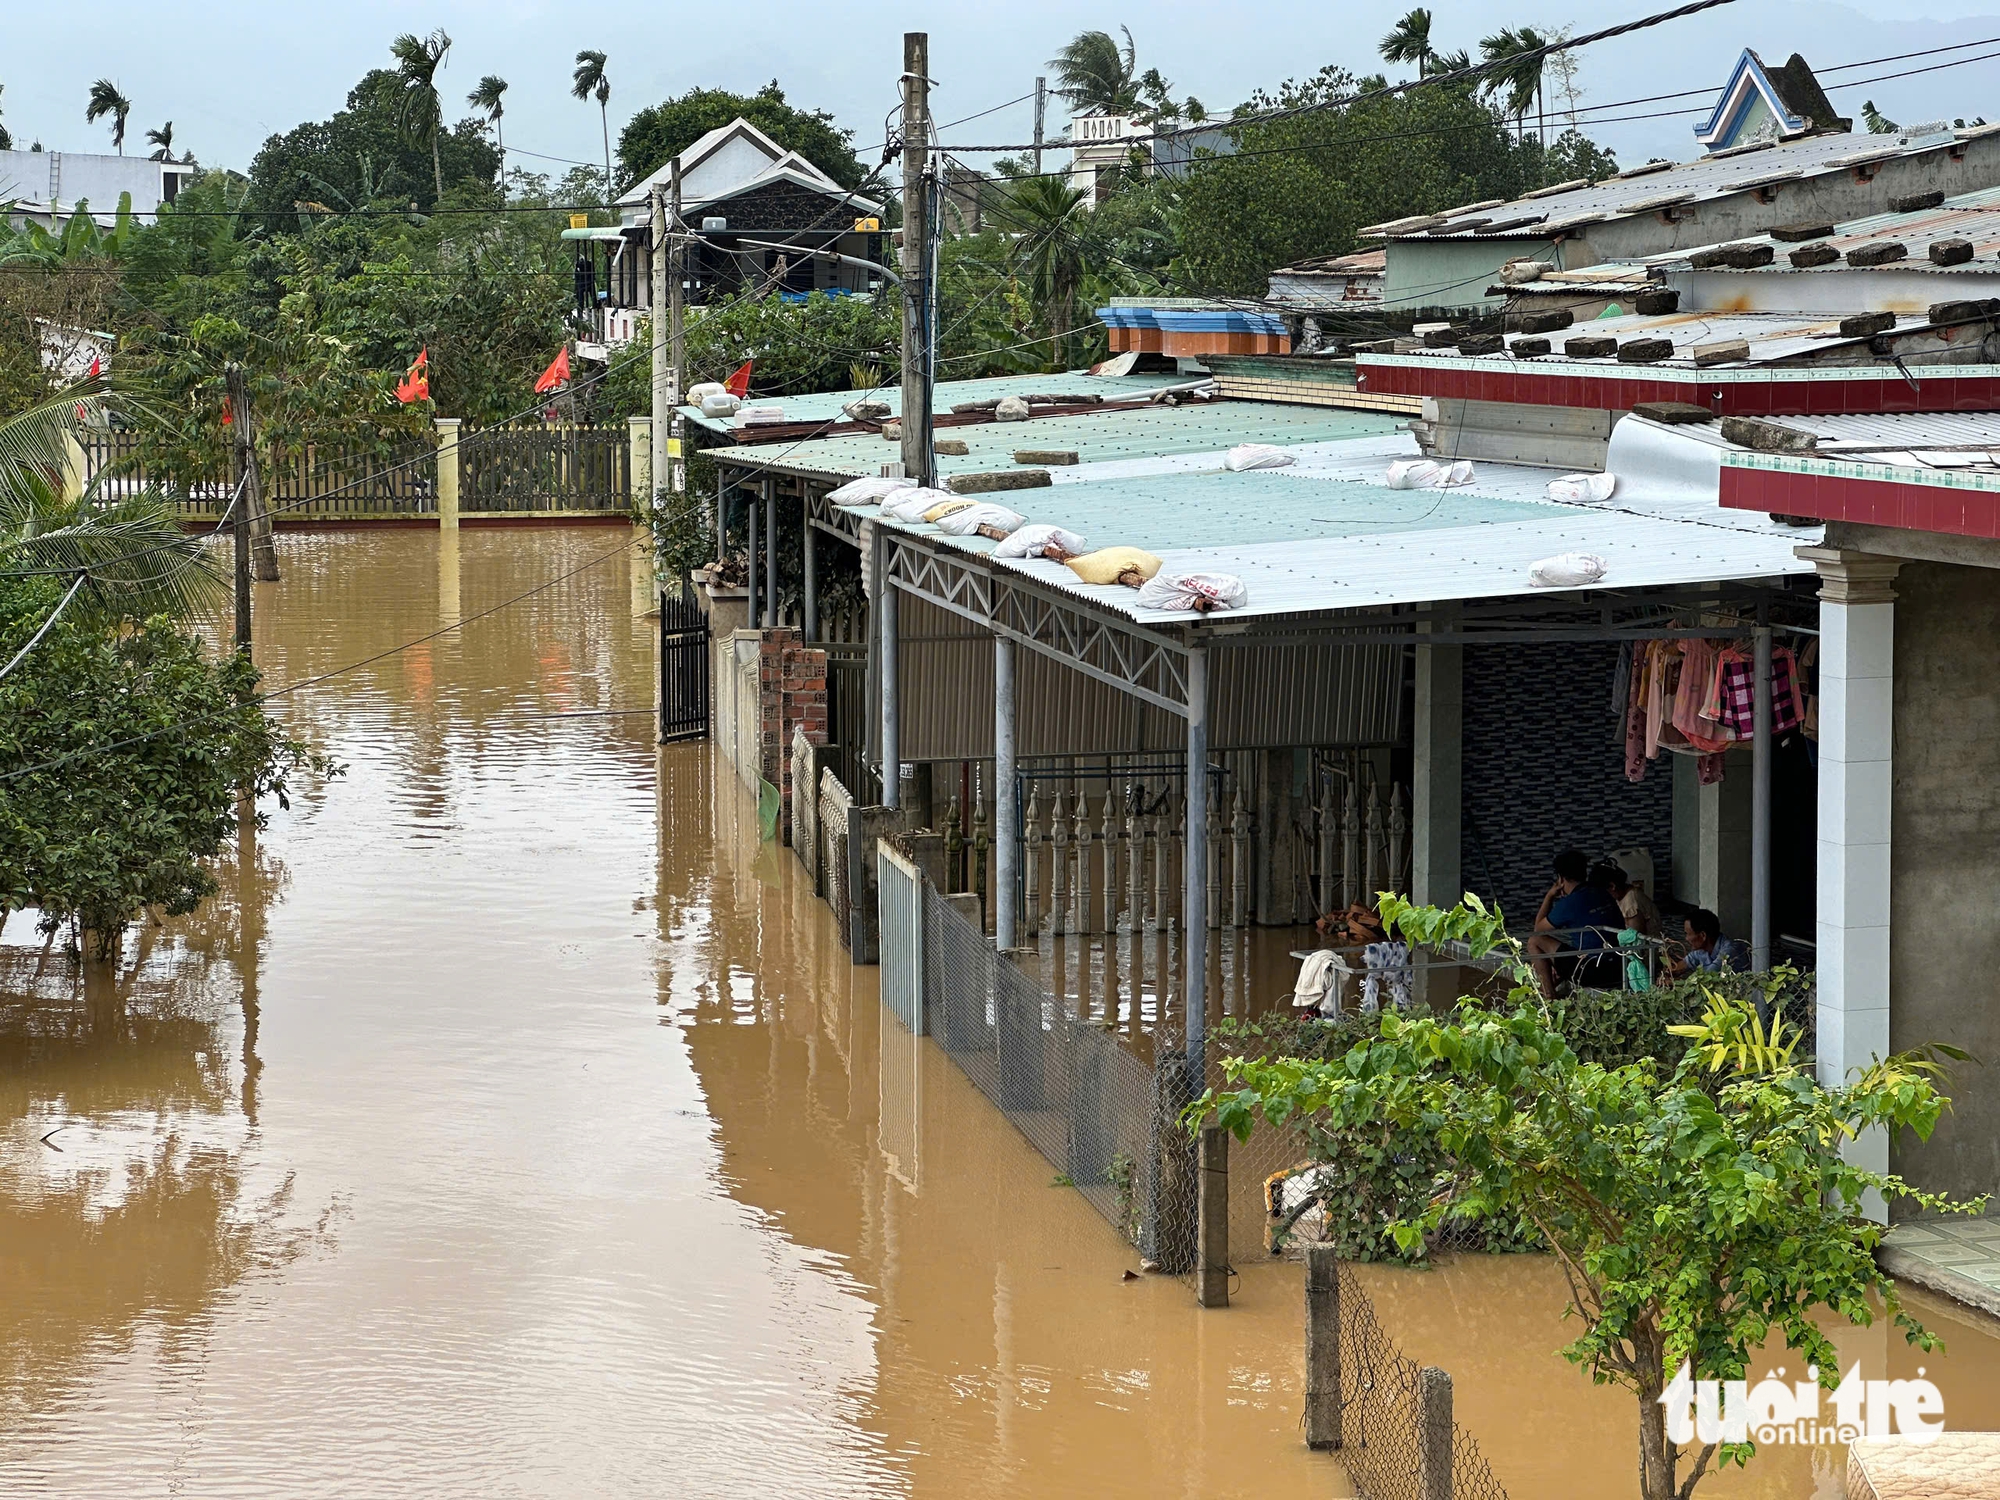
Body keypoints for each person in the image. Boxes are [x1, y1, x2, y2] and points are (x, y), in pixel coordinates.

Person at [1527, 848, 1624, 997]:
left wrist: (1549, 896)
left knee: (1534, 941)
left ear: (1560, 878)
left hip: (1592, 971)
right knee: (1574, 950)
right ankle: (1553, 984)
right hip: (1620, 967)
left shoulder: (1570, 903)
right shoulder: (1601, 892)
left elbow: (1538, 930)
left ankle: (1549, 996)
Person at [1675, 908, 1747, 975]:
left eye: (1688, 934)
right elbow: (1678, 968)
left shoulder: (1729, 951)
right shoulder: (1701, 951)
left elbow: (1708, 978)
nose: (1686, 938)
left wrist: (1672, 983)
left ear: (1703, 935)